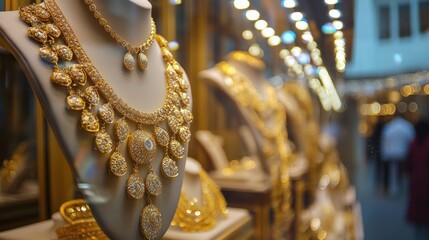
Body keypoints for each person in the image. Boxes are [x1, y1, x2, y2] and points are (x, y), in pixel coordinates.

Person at [380, 113, 415, 195]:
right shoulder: (407, 126)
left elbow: (384, 141)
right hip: (403, 153)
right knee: (401, 172)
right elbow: (412, 139)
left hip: (390, 153)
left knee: (393, 172)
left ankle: (394, 188)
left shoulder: (389, 127)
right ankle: (399, 188)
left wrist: (384, 154)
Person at [406, 120, 429, 240]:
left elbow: (409, 164)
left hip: (416, 184)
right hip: (424, 184)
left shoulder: (414, 144)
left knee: (419, 219)